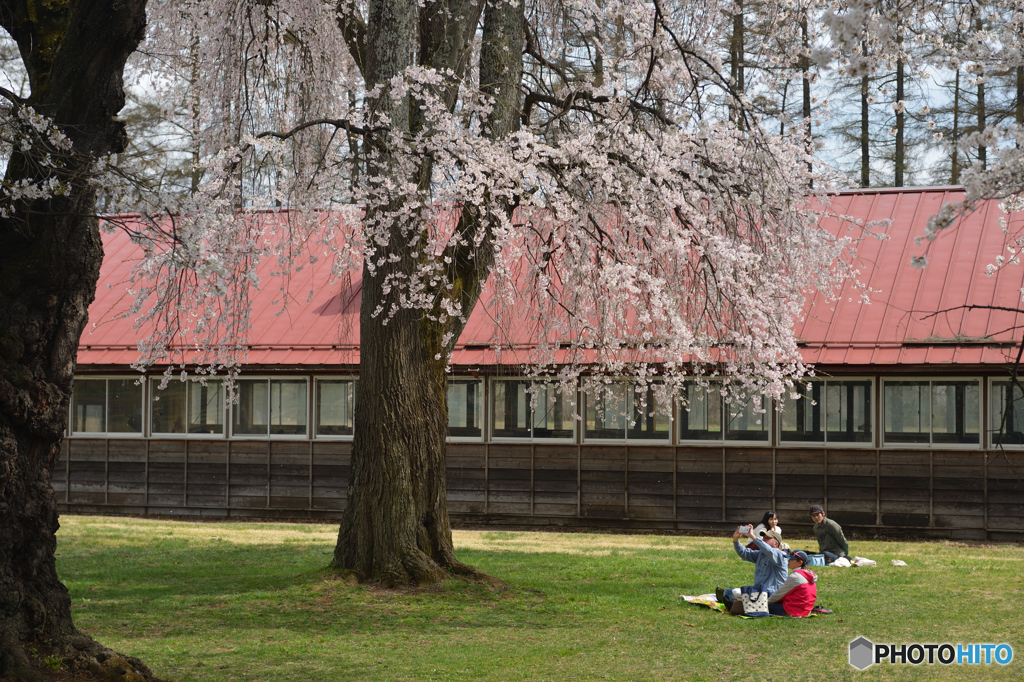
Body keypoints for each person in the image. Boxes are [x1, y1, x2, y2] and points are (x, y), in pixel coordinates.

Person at [717, 526, 788, 611]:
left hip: (773, 594)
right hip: (759, 593)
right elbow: (744, 553)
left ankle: (738, 604)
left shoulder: (780, 555)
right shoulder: (761, 554)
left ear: (776, 543)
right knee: (730, 591)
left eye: (767, 538)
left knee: (731, 592)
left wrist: (752, 536)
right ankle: (740, 602)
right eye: (763, 537)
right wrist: (736, 540)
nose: (763, 539)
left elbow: (769, 551)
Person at [766, 550, 817, 617]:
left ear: (800, 563)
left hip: (793, 611)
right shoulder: (809, 574)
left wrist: (764, 603)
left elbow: (779, 595)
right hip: (806, 610)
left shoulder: (795, 577)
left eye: (792, 559)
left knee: (762, 608)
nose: (788, 561)